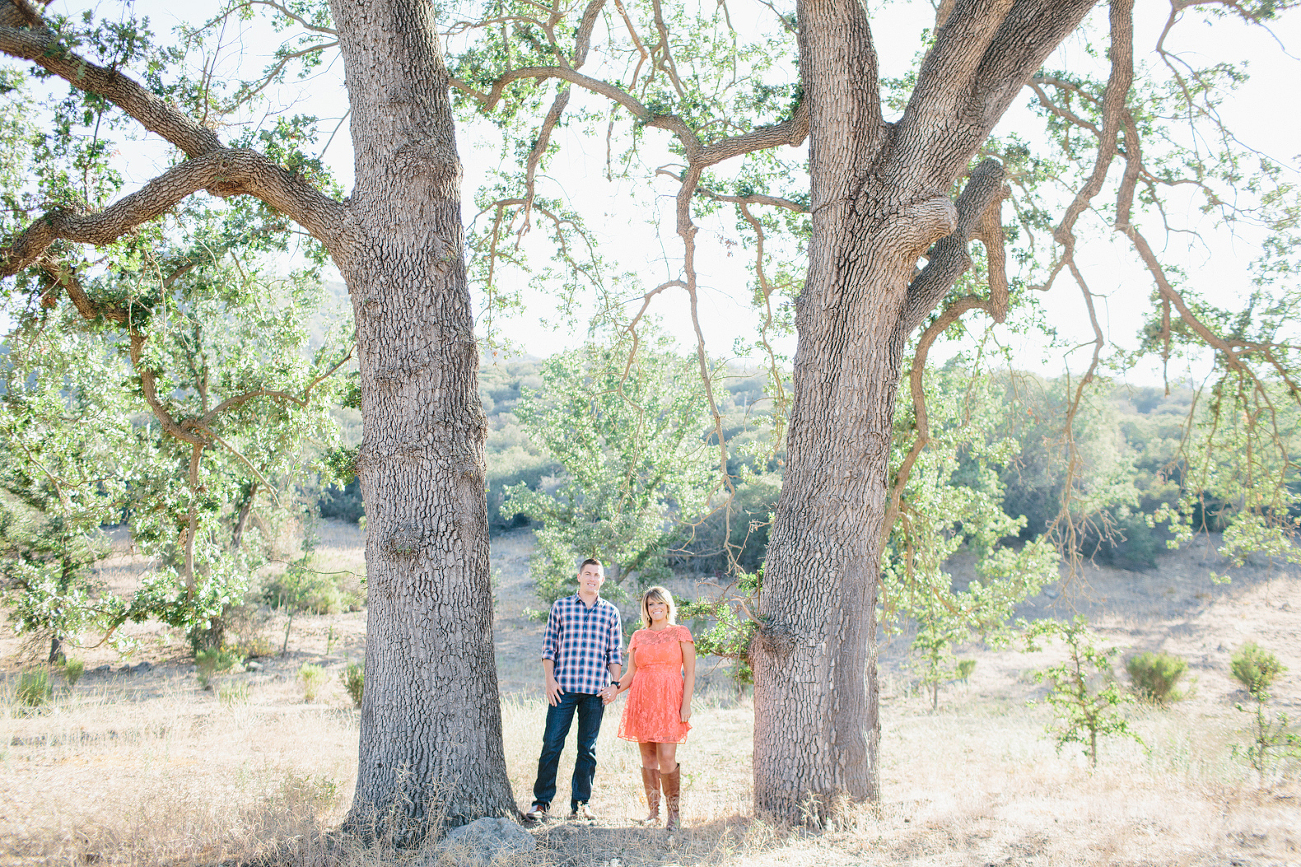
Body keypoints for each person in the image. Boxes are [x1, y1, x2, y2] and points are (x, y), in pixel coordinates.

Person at [524, 557, 623, 822]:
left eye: (597, 575)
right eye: (587, 574)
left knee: (587, 749)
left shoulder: (611, 612)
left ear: (602, 580)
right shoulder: (561, 607)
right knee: (552, 744)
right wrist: (549, 680)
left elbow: (615, 654)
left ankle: (581, 804)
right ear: (579, 577)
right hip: (563, 689)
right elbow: (549, 648)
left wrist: (615, 686)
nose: (592, 579)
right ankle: (541, 803)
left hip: (595, 692)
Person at [604, 585, 695, 830]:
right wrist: (614, 688)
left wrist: (685, 705)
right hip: (642, 702)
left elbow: (690, 673)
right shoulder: (638, 636)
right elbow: (631, 673)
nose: (655, 608)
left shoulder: (680, 633)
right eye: (650, 604)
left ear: (667, 606)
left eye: (659, 603)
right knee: (648, 757)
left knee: (667, 758)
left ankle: (673, 815)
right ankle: (653, 812)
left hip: (669, 702)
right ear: (646, 609)